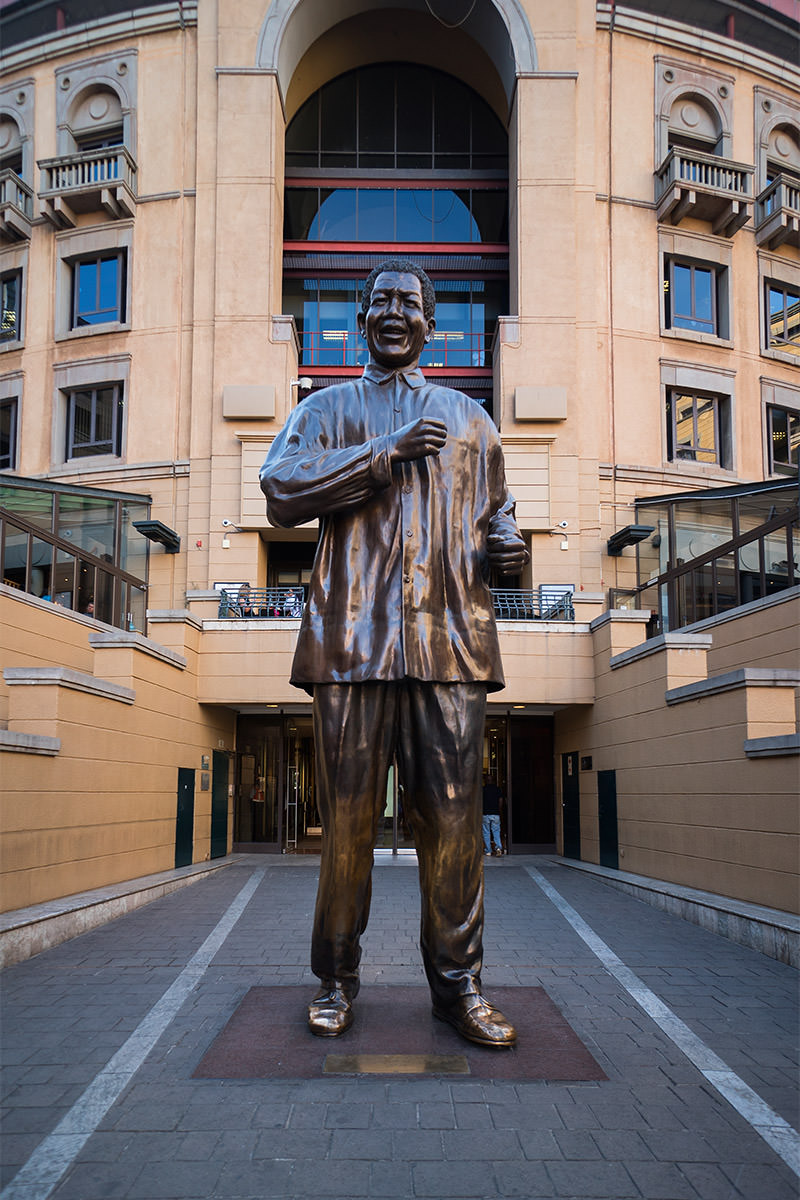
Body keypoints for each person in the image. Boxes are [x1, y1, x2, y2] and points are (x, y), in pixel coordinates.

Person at [260, 259, 528, 1048]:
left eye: (408, 304)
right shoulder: (328, 408)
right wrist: (386, 452)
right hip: (353, 642)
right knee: (347, 822)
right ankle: (336, 981)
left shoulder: (472, 421)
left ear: (430, 322)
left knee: (451, 822)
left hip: (449, 642)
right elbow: (281, 491)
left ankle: (459, 986)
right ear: (362, 318)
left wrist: (504, 544)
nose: (393, 314)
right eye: (379, 302)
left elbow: (498, 513)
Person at [482, 776, 504, 856]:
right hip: (495, 814)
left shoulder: (483, 790)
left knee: (486, 833)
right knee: (496, 831)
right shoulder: (497, 789)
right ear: (493, 781)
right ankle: (498, 848)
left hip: (485, 814)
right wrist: (499, 810)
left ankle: (488, 851)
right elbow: (501, 800)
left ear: (485, 781)